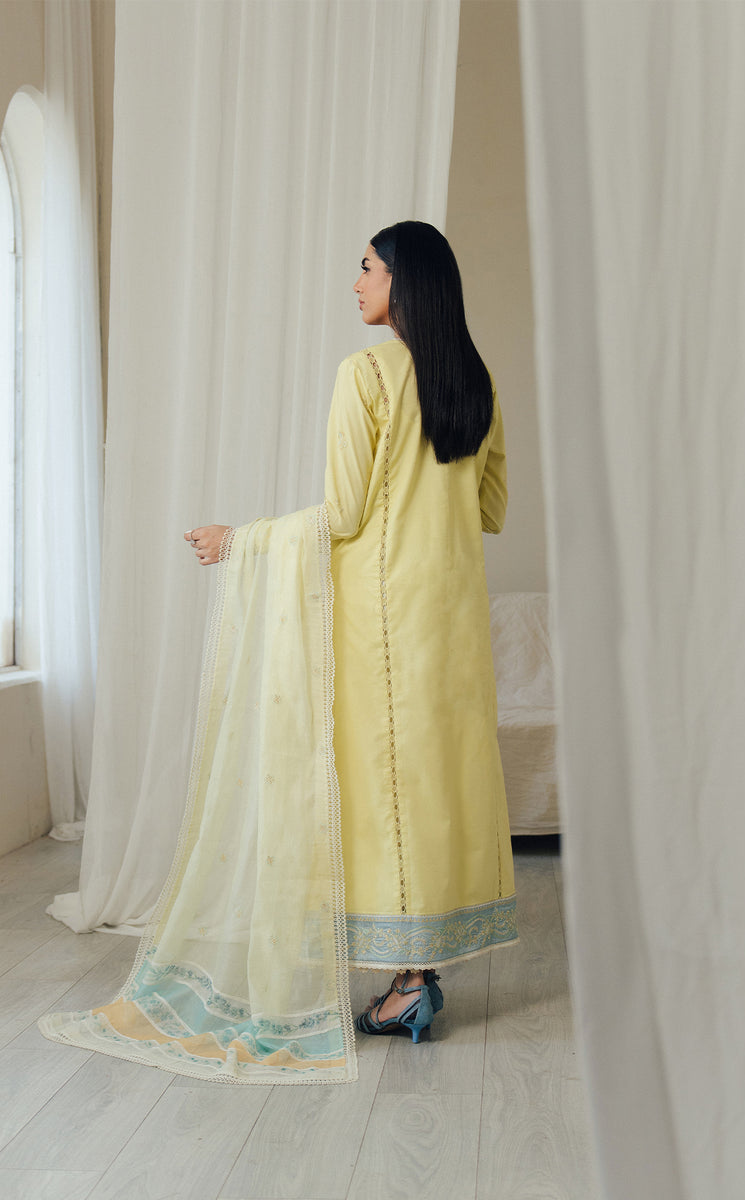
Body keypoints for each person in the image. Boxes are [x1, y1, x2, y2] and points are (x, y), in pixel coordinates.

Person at [185, 220, 518, 1042]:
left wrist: (240, 540)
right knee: (436, 787)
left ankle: (408, 983)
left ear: (403, 280)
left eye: (368, 268)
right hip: (454, 620)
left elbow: (341, 514)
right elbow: (490, 510)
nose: (358, 282)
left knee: (384, 791)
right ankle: (421, 972)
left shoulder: (365, 373)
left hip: (384, 623)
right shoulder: (475, 380)